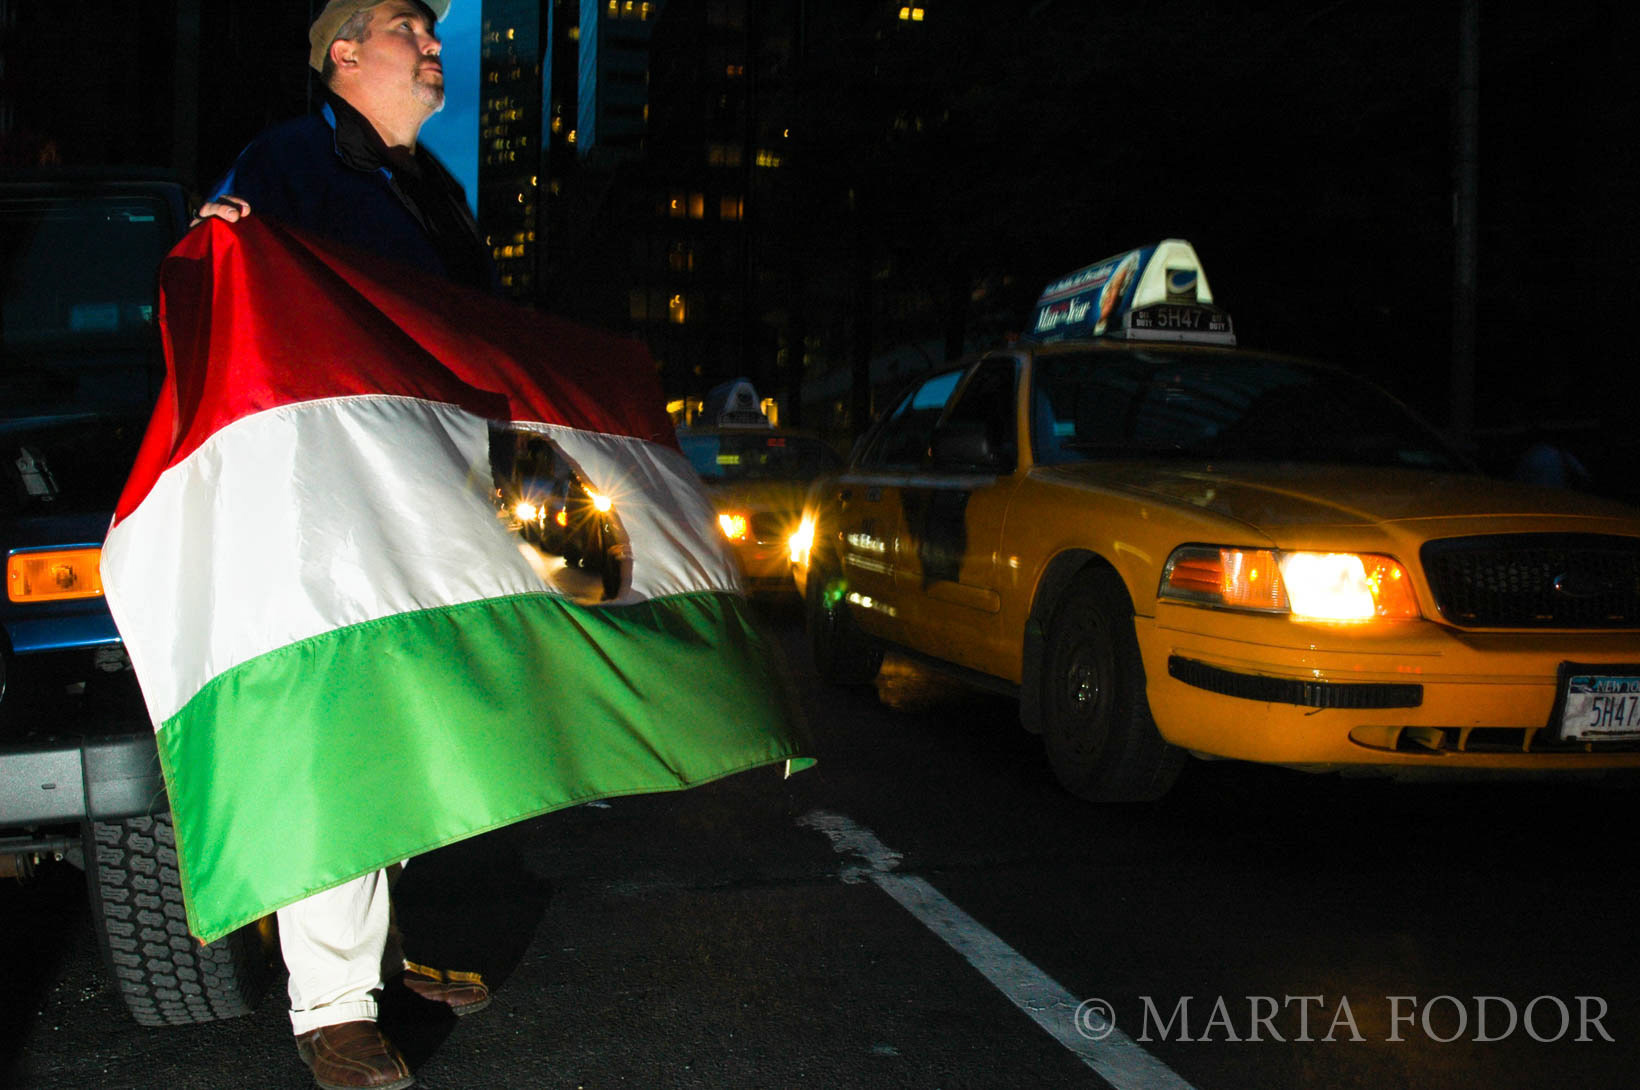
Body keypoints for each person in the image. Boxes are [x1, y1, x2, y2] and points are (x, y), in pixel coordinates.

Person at [196, 3, 492, 1087]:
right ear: (345, 53)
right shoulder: (288, 158)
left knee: (419, 717)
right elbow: (216, 275)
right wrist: (212, 238)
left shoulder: (431, 187)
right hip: (332, 494)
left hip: (430, 489)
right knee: (348, 728)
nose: (433, 44)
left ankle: (379, 945)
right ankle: (332, 1007)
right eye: (409, 27)